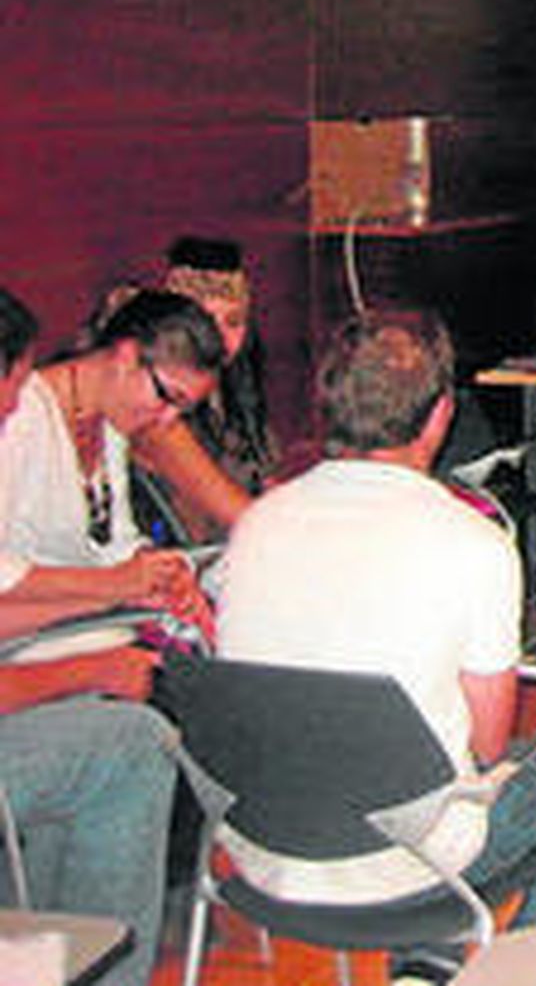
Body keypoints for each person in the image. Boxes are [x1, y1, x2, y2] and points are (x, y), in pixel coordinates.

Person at [215, 308, 536, 983]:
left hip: (264, 850)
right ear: (439, 416)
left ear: (327, 403)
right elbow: (487, 745)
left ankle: (428, 964)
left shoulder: (257, 523)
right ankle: (480, 966)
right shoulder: (472, 542)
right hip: (404, 858)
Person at [0, 286, 181, 986]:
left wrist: (128, 594)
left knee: (100, 732)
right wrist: (91, 670)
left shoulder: (96, 423)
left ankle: (45, 956)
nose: (10, 417)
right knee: (132, 746)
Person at [0, 288, 218, 629]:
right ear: (127, 357)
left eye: (182, 409)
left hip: (82, 622)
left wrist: (161, 572)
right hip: (29, 634)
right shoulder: (19, 413)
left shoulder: (110, 423)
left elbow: (113, 545)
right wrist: (114, 585)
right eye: (166, 397)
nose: (167, 420)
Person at [125, 237, 273, 545]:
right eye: (205, 321)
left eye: (233, 322)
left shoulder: (238, 396)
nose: (220, 338)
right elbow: (234, 513)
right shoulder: (156, 410)